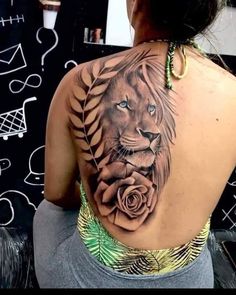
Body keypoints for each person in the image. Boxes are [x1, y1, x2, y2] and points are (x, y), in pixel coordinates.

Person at [33, 0, 236, 288]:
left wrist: (97, 197)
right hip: (190, 279)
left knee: (47, 213)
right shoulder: (232, 92)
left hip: (87, 278)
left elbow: (56, 194)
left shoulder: (81, 81)